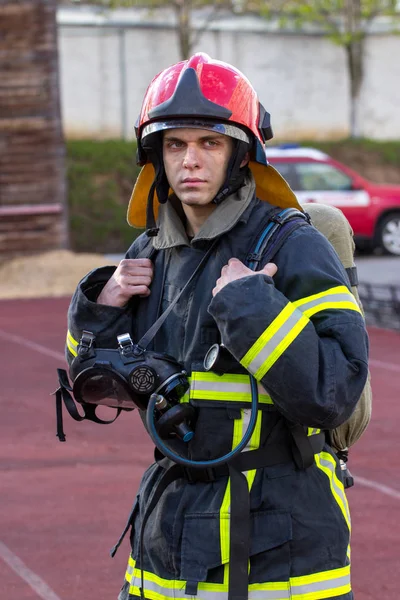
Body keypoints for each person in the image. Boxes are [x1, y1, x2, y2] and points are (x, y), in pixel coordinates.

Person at [65, 53, 369, 600]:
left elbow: (333, 394)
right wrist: (100, 308)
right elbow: (93, 381)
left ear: (240, 153)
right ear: (156, 156)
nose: (190, 161)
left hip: (284, 541)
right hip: (171, 526)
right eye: (175, 145)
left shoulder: (292, 246)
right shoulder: (148, 252)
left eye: (210, 143)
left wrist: (251, 306)